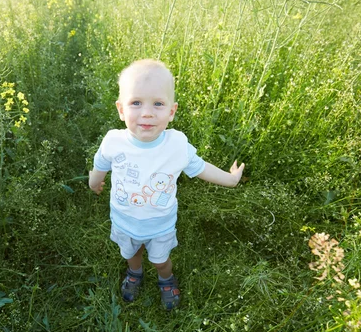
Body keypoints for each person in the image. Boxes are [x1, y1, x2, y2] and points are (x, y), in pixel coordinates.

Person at [89, 59, 245, 310]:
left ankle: (165, 278)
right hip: (124, 221)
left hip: (160, 224)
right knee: (131, 254)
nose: (147, 113)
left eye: (158, 104)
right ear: (121, 109)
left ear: (171, 112)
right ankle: (134, 273)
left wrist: (230, 179)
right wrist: (94, 183)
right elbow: (100, 166)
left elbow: (199, 167)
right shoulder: (113, 142)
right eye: (136, 103)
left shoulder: (176, 145)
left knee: (161, 260)